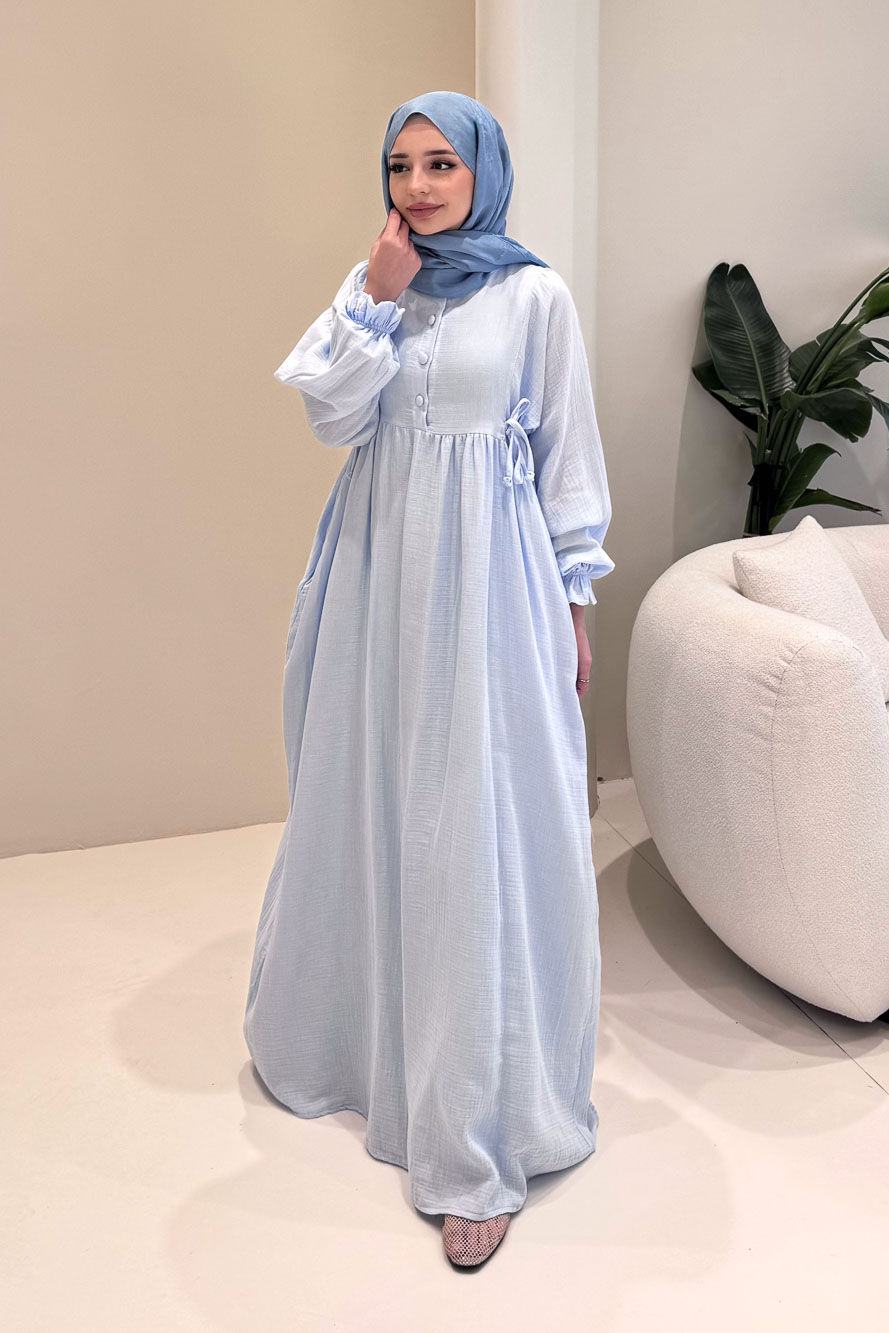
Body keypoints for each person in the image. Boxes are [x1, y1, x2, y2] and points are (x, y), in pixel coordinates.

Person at [243, 90, 615, 1269]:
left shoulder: (535, 295)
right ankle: (362, 1050)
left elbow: (566, 459)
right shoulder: (378, 285)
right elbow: (331, 420)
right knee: (372, 806)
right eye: (401, 164)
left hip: (492, 591)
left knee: (475, 828)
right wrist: (375, 295)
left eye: (441, 163)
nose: (417, 185)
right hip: (375, 587)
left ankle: (473, 1137)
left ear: (481, 171)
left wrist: (573, 605)